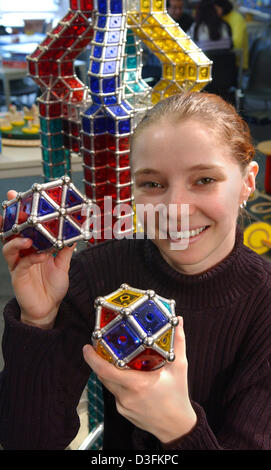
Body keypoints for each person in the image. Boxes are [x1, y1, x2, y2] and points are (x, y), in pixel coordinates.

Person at [1, 91, 271, 451]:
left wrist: (179, 428)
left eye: (204, 180)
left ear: (247, 183)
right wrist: (38, 321)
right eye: (153, 184)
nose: (175, 209)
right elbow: (26, 441)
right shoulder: (95, 274)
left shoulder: (264, 307)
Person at [213, 0, 249, 69]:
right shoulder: (217, 18)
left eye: (216, 8)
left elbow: (237, 45)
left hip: (237, 64)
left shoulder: (236, 18)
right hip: (222, 62)